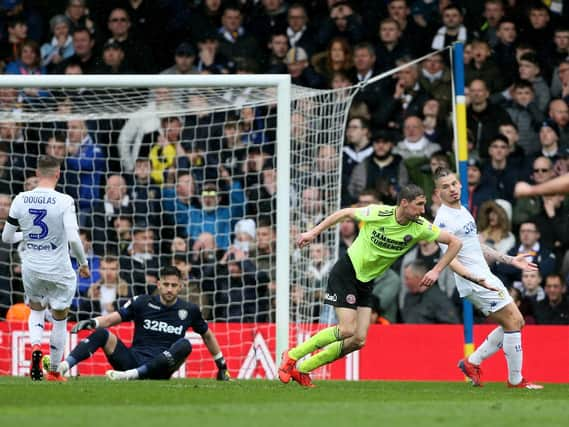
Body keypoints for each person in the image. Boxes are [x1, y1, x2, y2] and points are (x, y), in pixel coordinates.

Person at [278, 184, 463, 387]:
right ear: (404, 203)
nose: (422, 210)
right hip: (348, 271)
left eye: (424, 205)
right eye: (418, 205)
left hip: (366, 281)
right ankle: (292, 355)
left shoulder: (420, 227)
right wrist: (313, 232)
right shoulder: (379, 212)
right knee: (347, 329)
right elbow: (344, 213)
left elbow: (455, 243)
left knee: (359, 340)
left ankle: (304, 369)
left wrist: (436, 270)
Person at [433, 167, 542, 389]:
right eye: (445, 187)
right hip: (475, 280)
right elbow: (449, 259)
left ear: (460, 184)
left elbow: (476, 245)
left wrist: (509, 259)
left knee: (516, 322)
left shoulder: (462, 211)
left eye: (454, 184)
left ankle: (472, 362)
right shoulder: (442, 221)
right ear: (437, 193)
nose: (452, 189)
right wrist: (472, 277)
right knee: (513, 321)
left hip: (484, 274)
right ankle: (515, 380)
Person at [1, 155, 90, 381]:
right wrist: (83, 263)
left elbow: (7, 237)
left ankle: (35, 348)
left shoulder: (21, 199)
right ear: (58, 174)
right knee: (60, 318)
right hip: (59, 269)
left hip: (31, 268)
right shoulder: (65, 201)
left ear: (38, 173)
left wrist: (29, 234)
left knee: (37, 309)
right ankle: (53, 372)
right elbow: (73, 238)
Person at [57, 266, 230, 381]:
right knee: (103, 333)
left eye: (174, 285)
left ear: (180, 287)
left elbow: (207, 335)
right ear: (159, 284)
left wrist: (222, 366)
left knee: (185, 344)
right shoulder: (142, 302)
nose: (169, 289)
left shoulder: (189, 310)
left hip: (161, 368)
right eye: (166, 284)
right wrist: (92, 322)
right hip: (132, 361)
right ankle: (64, 366)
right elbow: (111, 319)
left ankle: (130, 376)